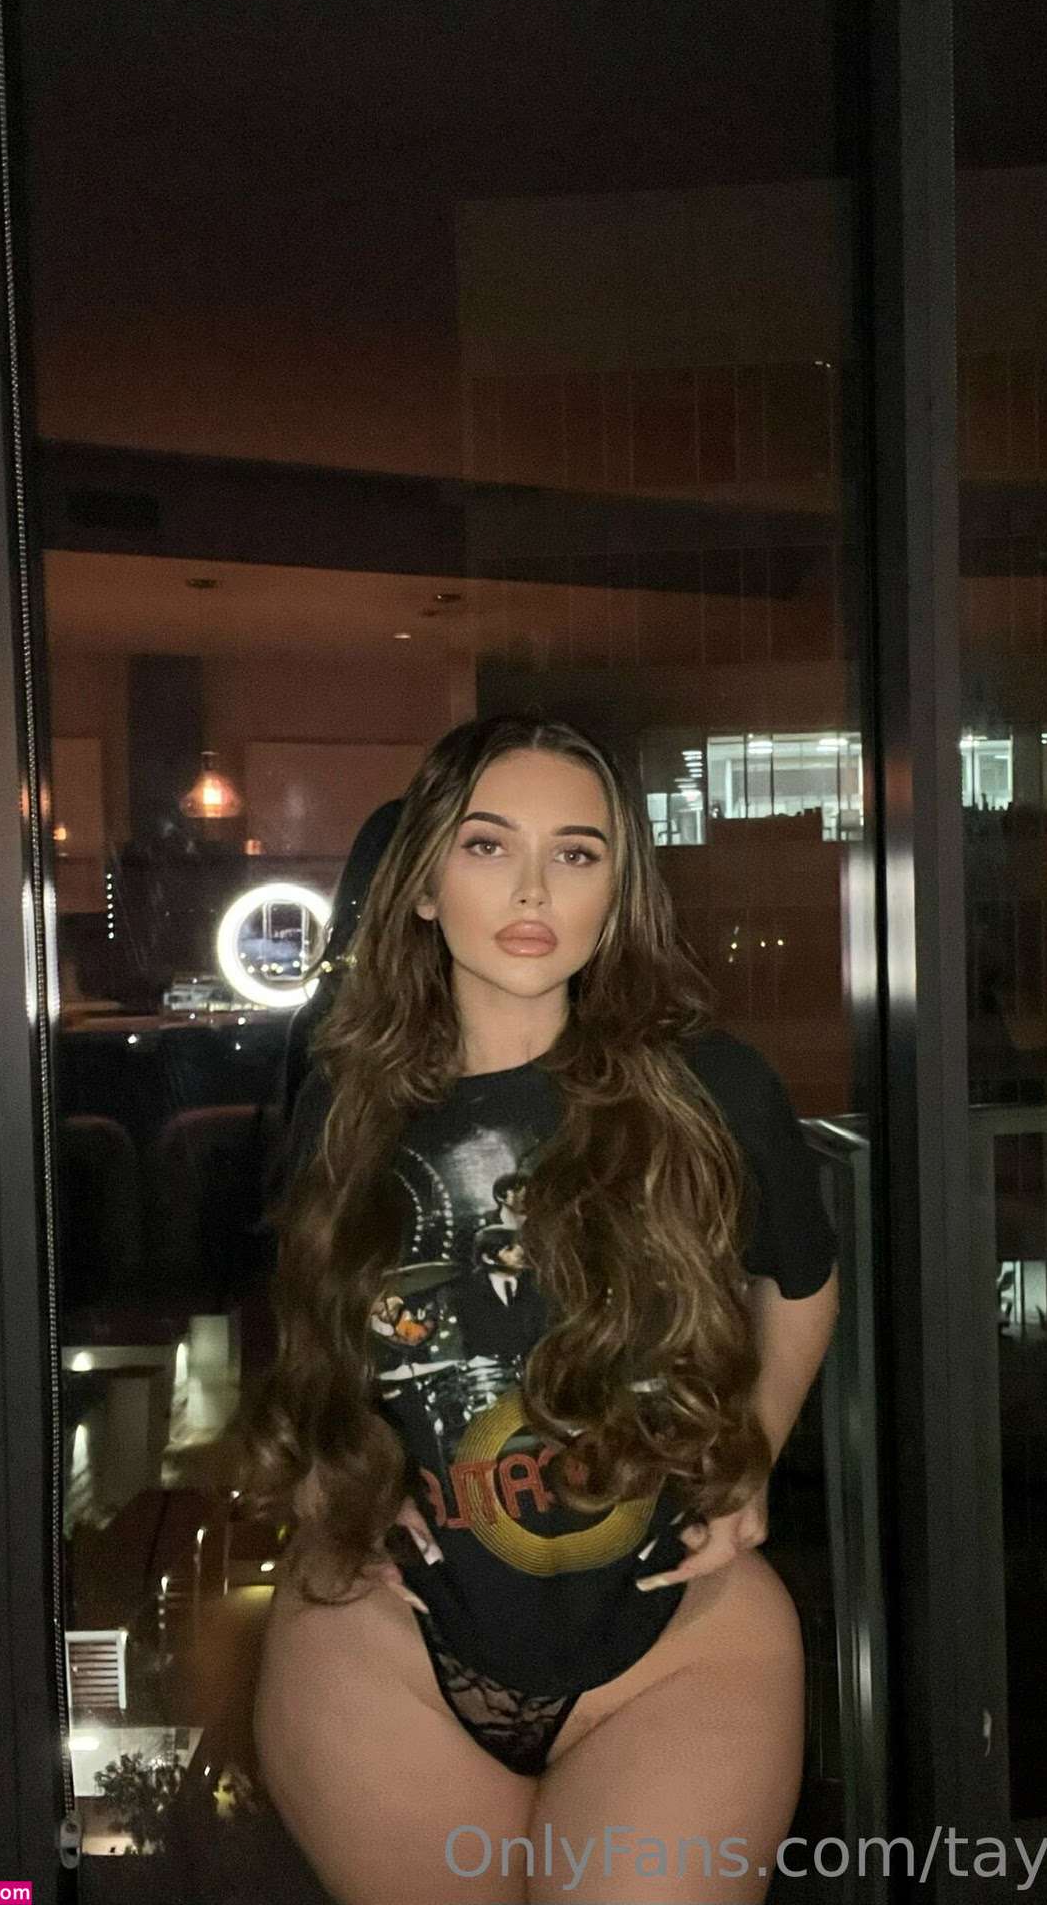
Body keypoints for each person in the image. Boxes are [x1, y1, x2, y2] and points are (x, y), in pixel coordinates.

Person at [238, 713, 840, 1904]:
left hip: (677, 1646)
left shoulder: (713, 1091)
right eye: (486, 846)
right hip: (390, 1648)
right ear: (423, 885)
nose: (531, 889)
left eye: (575, 853)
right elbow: (317, 1335)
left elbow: (801, 1282)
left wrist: (754, 1455)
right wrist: (330, 1478)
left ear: (618, 892)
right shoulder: (343, 1108)